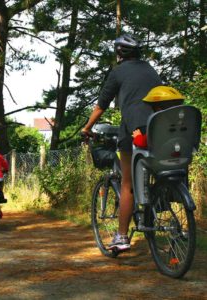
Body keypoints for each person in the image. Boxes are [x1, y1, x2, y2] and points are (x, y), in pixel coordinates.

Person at [82, 34, 162, 251]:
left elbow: (101, 105)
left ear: (119, 54)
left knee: (128, 184)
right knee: (156, 169)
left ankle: (122, 237)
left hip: (133, 129)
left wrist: (87, 128)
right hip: (159, 126)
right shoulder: (149, 69)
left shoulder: (117, 72)